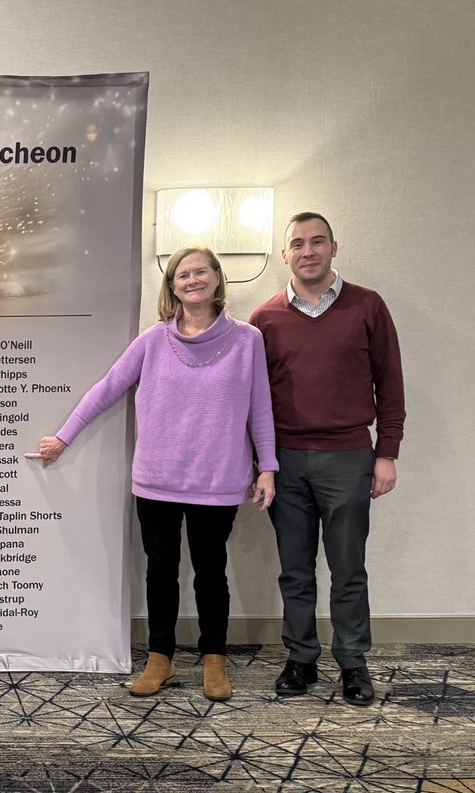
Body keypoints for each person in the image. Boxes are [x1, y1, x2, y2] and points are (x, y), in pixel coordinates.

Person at [27, 247, 277, 702]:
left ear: (218, 280)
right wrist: (64, 436)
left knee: (210, 573)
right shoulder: (152, 341)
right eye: (182, 274)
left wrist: (269, 467)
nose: (192, 280)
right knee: (161, 572)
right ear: (172, 286)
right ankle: (159, 658)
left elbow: (260, 407)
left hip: (218, 482)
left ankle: (214, 659)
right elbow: (107, 388)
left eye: (201, 272)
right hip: (157, 481)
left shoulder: (248, 341)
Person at [250, 212, 404, 706]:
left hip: (348, 457)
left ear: (334, 248)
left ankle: (354, 664)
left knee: (347, 567)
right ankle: (300, 660)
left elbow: (390, 384)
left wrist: (387, 453)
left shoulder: (367, 306)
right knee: (295, 569)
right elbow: (252, 401)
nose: (308, 250)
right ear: (285, 255)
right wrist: (261, 463)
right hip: (286, 460)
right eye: (298, 243)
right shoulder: (265, 318)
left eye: (318, 242)